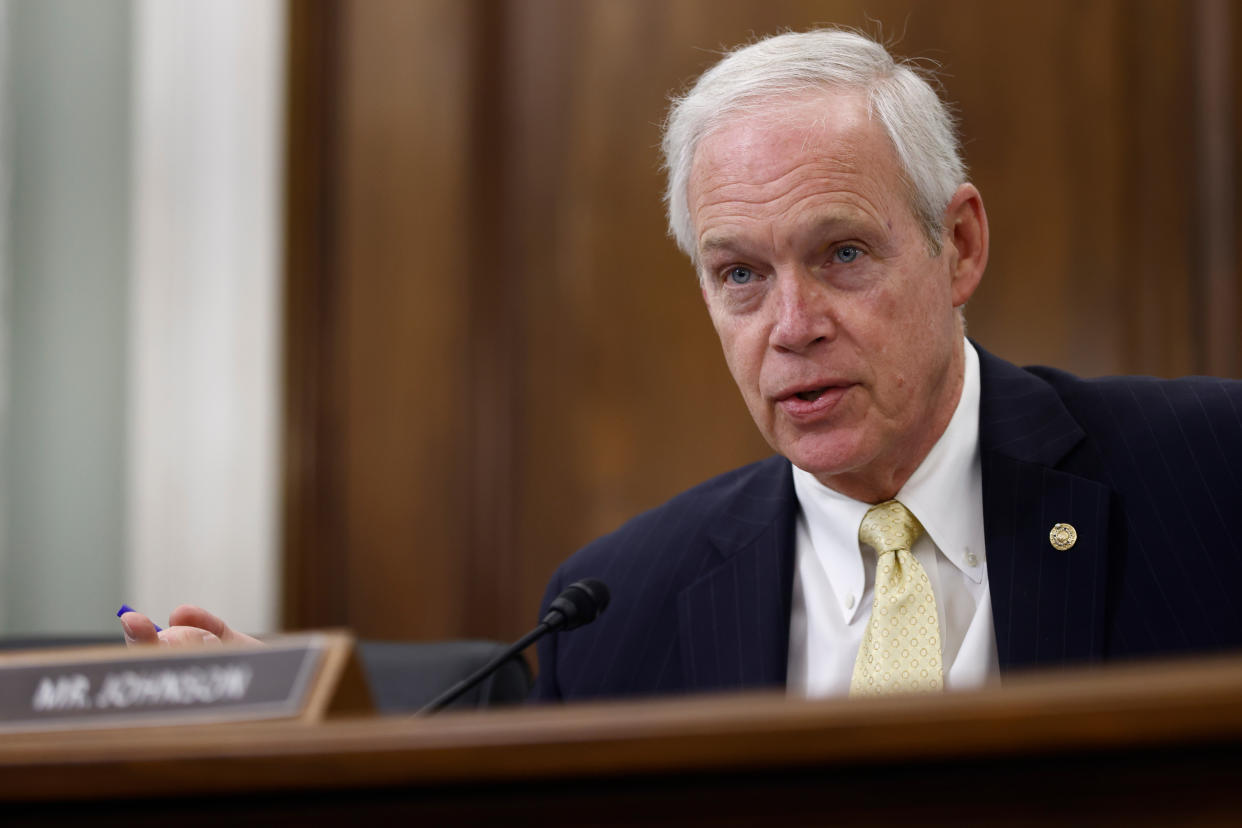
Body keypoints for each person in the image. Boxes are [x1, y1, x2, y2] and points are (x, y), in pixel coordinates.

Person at [125, 29, 1242, 702]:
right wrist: (318, 731)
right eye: (740, 275)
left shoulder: (1208, 477)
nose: (791, 324)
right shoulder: (616, 612)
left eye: (842, 254)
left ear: (958, 245)